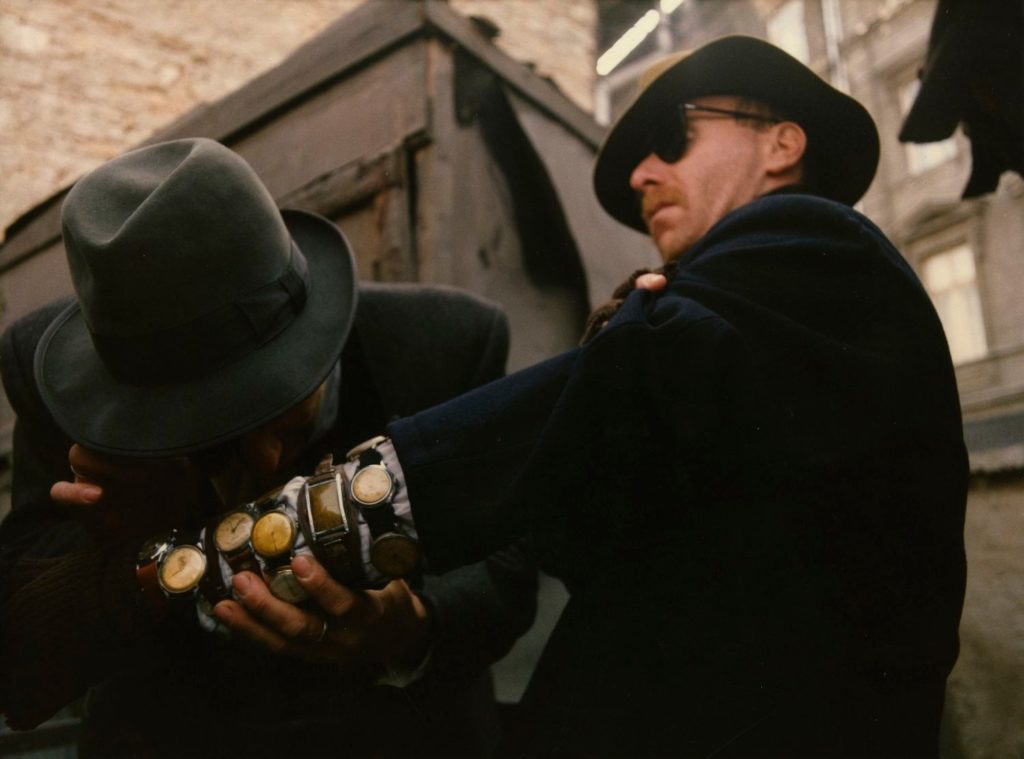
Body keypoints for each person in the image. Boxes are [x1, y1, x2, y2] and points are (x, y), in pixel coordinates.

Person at [218, 36, 968, 756]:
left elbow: (618, 395)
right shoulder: (715, 336)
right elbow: (560, 536)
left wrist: (312, 519)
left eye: (673, 136)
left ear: (782, 144)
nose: (641, 175)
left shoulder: (821, 242)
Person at [0, 137, 537, 756]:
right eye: (214, 444)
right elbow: (21, 640)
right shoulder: (54, 391)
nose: (266, 465)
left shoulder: (444, 343)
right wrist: (123, 550)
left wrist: (411, 627)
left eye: (283, 422)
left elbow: (507, 567)